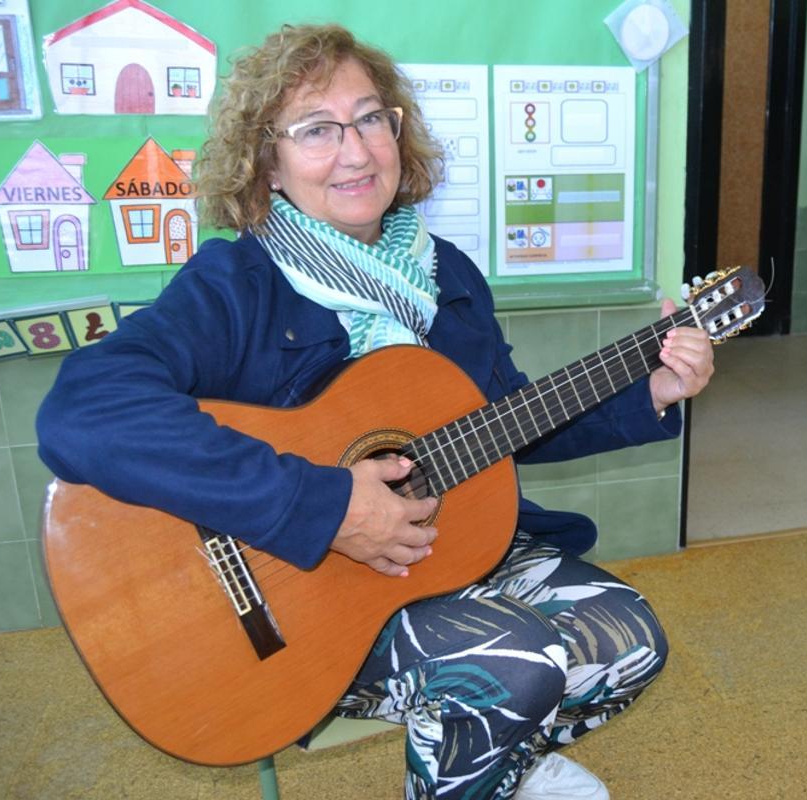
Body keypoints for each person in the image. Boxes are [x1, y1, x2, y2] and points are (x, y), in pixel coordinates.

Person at [36, 23, 714, 800]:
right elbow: (81, 411)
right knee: (517, 666)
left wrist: (649, 391)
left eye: (370, 118)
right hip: (305, 598)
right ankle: (484, 749)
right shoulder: (238, 283)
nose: (355, 151)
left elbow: (503, 424)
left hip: (448, 548)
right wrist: (324, 505)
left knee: (630, 638)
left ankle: (498, 756)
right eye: (317, 129)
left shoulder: (443, 270)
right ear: (270, 166)